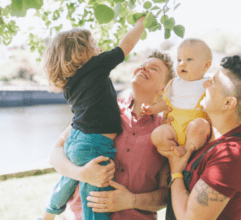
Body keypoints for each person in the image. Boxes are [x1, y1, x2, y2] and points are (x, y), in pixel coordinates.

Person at [40, 16, 146, 220]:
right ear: (81, 53)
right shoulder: (97, 66)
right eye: (94, 45)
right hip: (95, 144)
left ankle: (48, 214)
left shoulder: (69, 84)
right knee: (95, 201)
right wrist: (140, 25)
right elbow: (126, 45)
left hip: (76, 140)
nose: (98, 49)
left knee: (68, 180)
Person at [48, 51, 176, 220]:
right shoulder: (100, 107)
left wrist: (132, 201)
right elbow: (56, 151)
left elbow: (167, 196)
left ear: (164, 89)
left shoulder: (166, 130)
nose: (144, 67)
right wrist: (81, 173)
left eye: (154, 68)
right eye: (143, 64)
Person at [162, 53, 241, 220]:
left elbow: (190, 218)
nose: (205, 84)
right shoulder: (207, 136)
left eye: (213, 82)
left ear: (228, 103)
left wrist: (176, 172)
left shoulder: (232, 155)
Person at [141, 38, 212, 157]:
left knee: (200, 125)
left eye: (189, 59)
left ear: (206, 66)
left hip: (194, 130)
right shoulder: (174, 84)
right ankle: (172, 151)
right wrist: (153, 109)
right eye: (179, 60)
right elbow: (166, 102)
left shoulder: (209, 84)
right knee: (158, 134)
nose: (182, 63)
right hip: (174, 128)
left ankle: (187, 150)